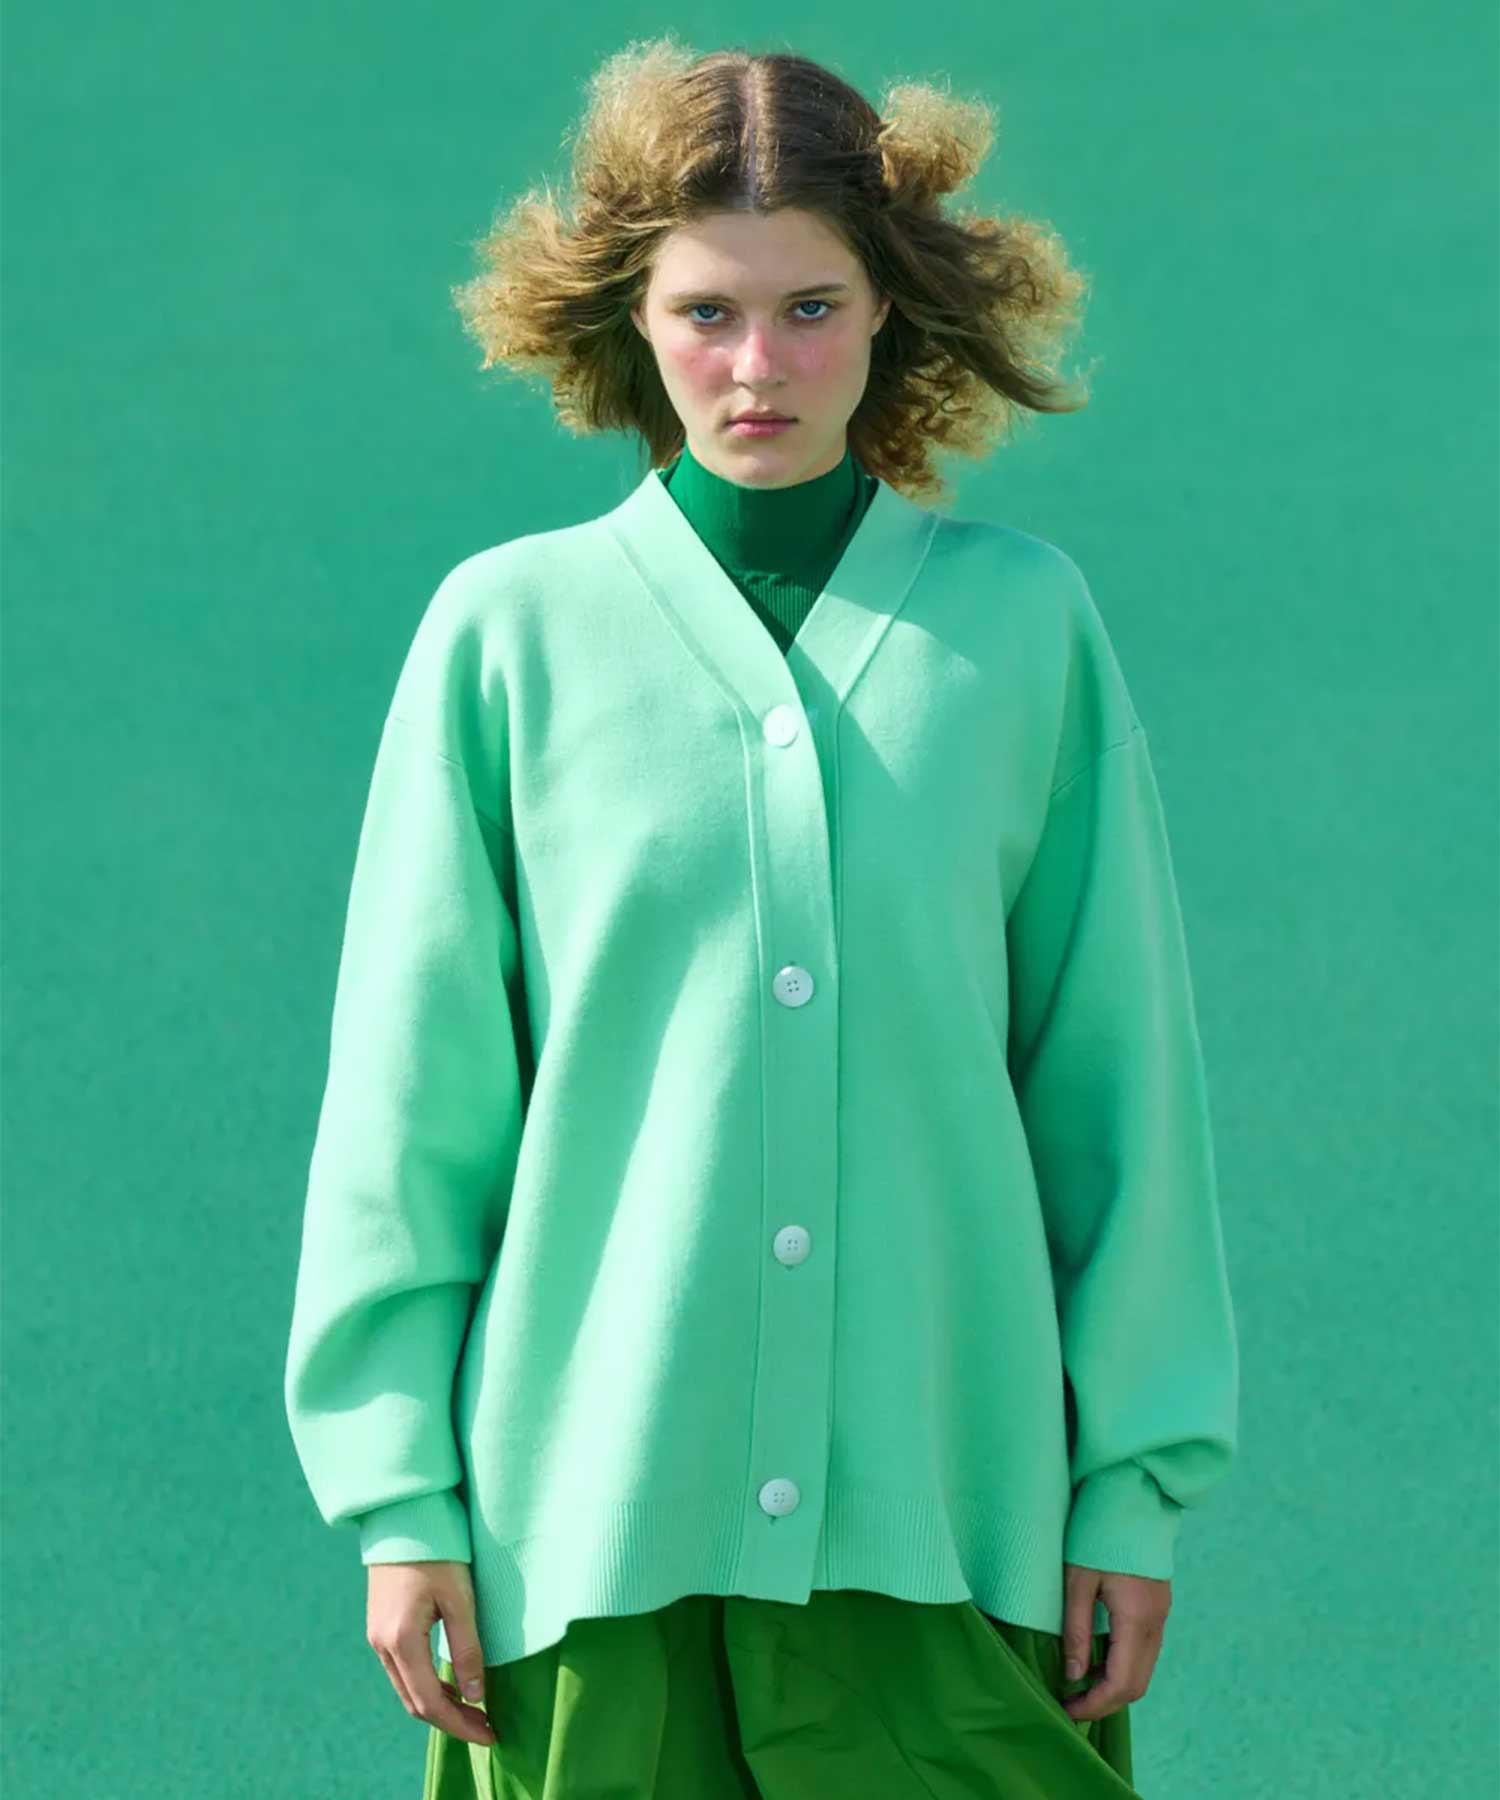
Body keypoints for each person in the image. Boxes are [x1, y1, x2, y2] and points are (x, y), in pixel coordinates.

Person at [284, 34, 1239, 1800]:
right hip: (587, 1556)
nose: (758, 363)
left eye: (811, 307)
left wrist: (1132, 1492)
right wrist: (400, 1502)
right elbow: (413, 1110)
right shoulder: (506, 637)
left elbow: (1117, 1098)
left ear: (889, 315)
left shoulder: (1021, 630)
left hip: (953, 1538)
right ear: (629, 323)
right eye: (707, 312)